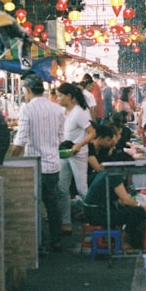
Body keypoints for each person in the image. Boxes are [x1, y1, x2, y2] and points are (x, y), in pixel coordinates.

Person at [9, 72, 65, 252]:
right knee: (52, 204)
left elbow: (20, 140)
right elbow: (60, 137)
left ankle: (39, 244)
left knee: (34, 205)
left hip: (35, 165)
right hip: (53, 164)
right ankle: (56, 240)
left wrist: (10, 159)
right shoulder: (57, 109)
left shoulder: (27, 109)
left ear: (28, 90)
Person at [83, 162, 146, 251]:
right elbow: (126, 200)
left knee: (132, 210)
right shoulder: (114, 175)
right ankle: (124, 239)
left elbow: (120, 200)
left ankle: (124, 238)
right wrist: (142, 206)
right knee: (139, 212)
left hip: (92, 212)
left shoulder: (106, 172)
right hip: (97, 215)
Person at [56, 82, 95, 234]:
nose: (58, 98)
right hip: (64, 153)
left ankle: (99, 215)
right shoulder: (61, 112)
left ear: (70, 97)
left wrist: (78, 145)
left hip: (78, 154)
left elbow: (92, 133)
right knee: (62, 188)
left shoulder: (79, 112)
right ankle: (66, 222)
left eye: (61, 96)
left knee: (82, 189)